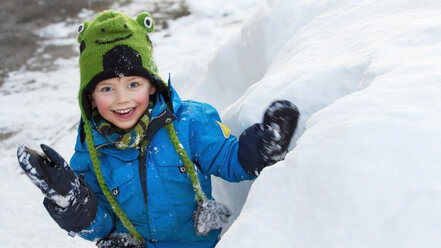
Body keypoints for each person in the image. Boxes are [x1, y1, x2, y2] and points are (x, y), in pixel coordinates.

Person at [16, 10, 299, 248]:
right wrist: (74, 204)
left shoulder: (191, 123)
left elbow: (230, 160)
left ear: (152, 84)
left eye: (133, 84)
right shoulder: (90, 156)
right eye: (106, 88)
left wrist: (261, 148)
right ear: (90, 97)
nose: (122, 99)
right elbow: (100, 228)